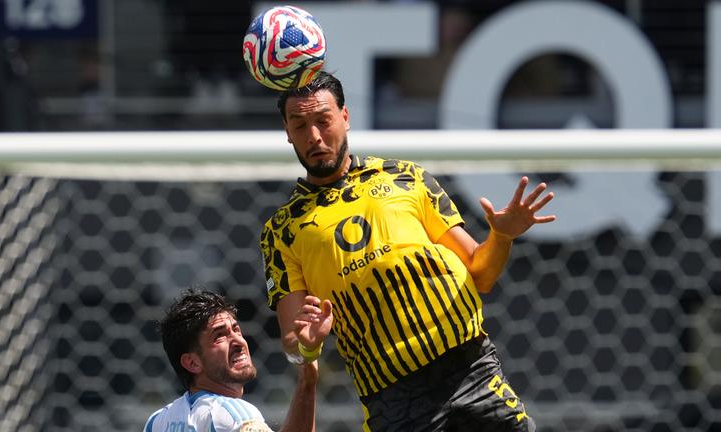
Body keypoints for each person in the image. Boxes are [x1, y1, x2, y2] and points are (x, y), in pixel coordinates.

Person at [259, 71, 555, 431]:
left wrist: (502, 238)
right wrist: (306, 348)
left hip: (471, 369)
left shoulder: (406, 177)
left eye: (323, 120)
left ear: (346, 117)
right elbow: (293, 341)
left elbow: (481, 274)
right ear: (287, 133)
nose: (315, 137)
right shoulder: (283, 230)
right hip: (393, 398)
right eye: (300, 125)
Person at [144, 288, 333, 432]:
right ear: (192, 363)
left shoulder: (157, 422)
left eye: (236, 329)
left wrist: (307, 374)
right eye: (219, 336)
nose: (238, 340)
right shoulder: (234, 415)